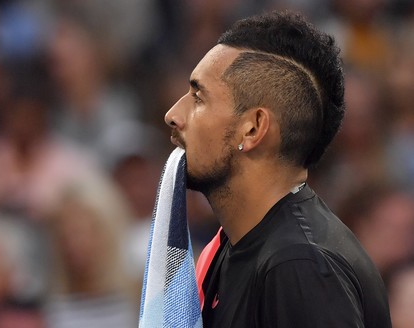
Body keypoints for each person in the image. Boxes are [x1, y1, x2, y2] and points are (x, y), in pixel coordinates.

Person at [163, 11, 391, 327]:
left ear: (254, 129)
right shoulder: (237, 246)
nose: (173, 115)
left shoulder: (299, 267)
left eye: (198, 98)